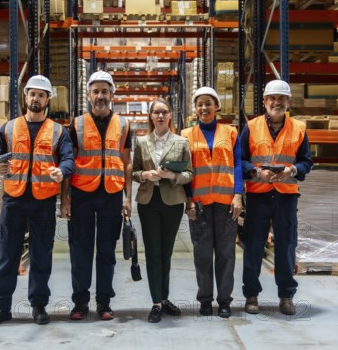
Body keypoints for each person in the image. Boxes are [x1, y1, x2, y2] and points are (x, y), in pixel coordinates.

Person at [0, 75, 75, 328]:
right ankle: (0, 307)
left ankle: (38, 305)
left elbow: (68, 159)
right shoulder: (9, 128)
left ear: (48, 100)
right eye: (32, 93)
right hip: (14, 200)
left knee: (41, 254)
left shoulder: (58, 131)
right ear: (26, 96)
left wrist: (61, 171)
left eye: (41, 95)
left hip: (43, 202)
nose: (36, 98)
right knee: (7, 254)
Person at [60, 70, 132, 321]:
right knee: (80, 250)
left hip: (111, 195)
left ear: (112, 94)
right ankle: (80, 302)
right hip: (82, 195)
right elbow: (68, 163)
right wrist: (65, 198)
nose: (100, 96)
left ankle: (104, 302)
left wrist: (127, 197)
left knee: (106, 251)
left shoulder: (123, 125)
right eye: (96, 91)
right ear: (89, 95)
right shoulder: (76, 124)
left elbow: (127, 163)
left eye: (105, 91)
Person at [240, 79, 313, 316]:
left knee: (286, 247)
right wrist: (256, 171)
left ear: (288, 102)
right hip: (258, 196)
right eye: (272, 98)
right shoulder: (251, 127)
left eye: (281, 99)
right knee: (253, 247)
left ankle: (286, 296)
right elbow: (239, 160)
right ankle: (251, 295)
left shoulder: (299, 129)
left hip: (286, 197)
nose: (276, 102)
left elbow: (306, 162)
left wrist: (291, 171)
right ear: (264, 102)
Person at [181, 86, 243, 319]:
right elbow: (186, 171)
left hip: (227, 203)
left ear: (217, 106)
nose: (204, 108)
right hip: (200, 204)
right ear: (195, 109)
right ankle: (205, 300)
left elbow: (237, 164)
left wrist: (238, 195)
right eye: (200, 104)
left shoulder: (230, 132)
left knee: (227, 253)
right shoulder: (186, 134)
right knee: (203, 254)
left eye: (208, 103)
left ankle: (225, 301)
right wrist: (189, 201)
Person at [132, 98, 193, 323]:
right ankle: (156, 302)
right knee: (152, 253)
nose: (160, 116)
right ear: (151, 116)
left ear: (170, 115)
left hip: (172, 202)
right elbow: (134, 171)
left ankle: (164, 298)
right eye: (156, 112)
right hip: (149, 202)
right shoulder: (141, 142)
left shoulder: (181, 142)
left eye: (164, 112)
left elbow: (189, 173)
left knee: (166, 253)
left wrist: (173, 176)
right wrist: (144, 175)